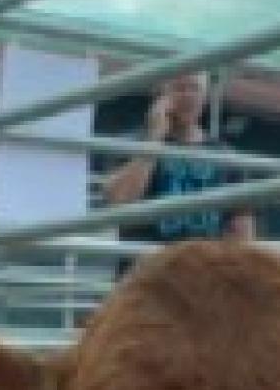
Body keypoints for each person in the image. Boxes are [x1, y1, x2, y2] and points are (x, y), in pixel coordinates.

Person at [100, 72, 255, 269]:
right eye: (179, 88)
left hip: (201, 276)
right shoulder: (133, 144)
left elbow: (242, 233)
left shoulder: (225, 155)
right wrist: (154, 138)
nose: (188, 95)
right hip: (147, 275)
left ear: (204, 95)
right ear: (161, 95)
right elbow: (119, 204)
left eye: (195, 88)